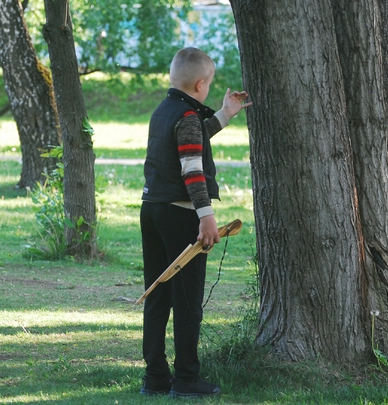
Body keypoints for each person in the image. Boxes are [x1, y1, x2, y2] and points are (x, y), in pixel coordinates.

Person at [139, 47, 251, 398]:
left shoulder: (164, 110)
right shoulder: (186, 115)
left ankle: (155, 377)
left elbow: (190, 140)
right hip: (180, 215)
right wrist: (207, 217)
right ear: (201, 84)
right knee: (187, 300)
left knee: (159, 294)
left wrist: (224, 114)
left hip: (152, 209)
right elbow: (192, 168)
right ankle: (186, 379)